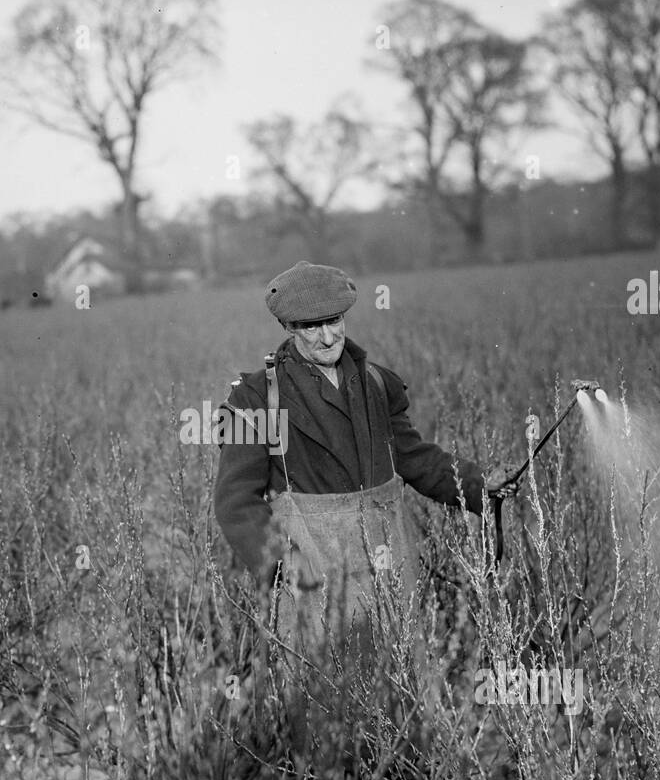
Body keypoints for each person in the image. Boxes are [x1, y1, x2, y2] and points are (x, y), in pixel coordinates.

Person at [214, 260, 516, 651]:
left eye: (334, 320)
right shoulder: (252, 400)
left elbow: (412, 458)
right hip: (313, 582)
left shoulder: (378, 383)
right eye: (311, 326)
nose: (327, 337)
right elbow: (234, 502)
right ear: (288, 329)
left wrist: (479, 484)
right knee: (325, 696)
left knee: (402, 687)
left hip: (389, 573)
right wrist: (283, 560)